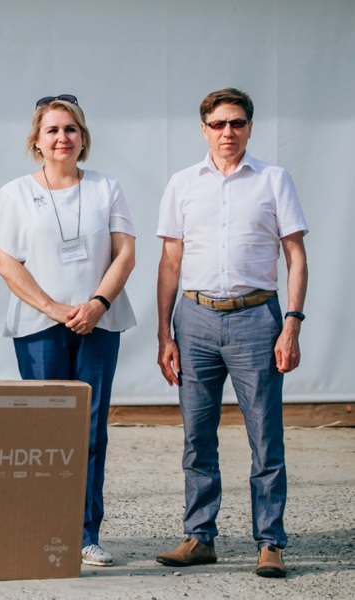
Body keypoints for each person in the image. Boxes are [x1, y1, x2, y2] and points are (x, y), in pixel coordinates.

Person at [155, 88, 308, 578]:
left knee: (266, 435)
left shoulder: (273, 180)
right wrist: (165, 332)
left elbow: (295, 256)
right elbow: (170, 262)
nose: (228, 132)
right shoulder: (182, 183)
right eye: (218, 124)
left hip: (256, 318)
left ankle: (270, 542)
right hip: (194, 319)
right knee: (197, 437)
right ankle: (199, 537)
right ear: (204, 128)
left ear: (249, 127)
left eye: (237, 123)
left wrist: (292, 324)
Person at [0, 95, 136, 567]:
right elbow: (4, 262)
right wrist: (52, 307)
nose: (61, 138)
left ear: (82, 138)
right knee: (44, 433)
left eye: (70, 129)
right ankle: (42, 529)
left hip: (98, 324)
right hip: (39, 327)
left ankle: (84, 533)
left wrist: (96, 304)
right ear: (36, 141)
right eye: (52, 130)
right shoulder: (13, 194)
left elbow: (125, 253)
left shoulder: (106, 188)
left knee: (90, 430)